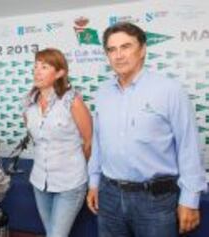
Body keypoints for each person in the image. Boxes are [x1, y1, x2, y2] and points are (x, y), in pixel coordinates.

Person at [87, 22, 208, 237]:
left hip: (155, 201)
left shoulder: (170, 90)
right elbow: (98, 142)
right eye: (112, 49)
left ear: (142, 50)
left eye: (126, 47)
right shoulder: (103, 92)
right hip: (109, 196)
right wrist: (94, 183)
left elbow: (188, 146)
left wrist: (190, 199)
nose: (118, 55)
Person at [23, 48, 92, 237]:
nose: (37, 71)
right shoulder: (29, 103)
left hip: (70, 183)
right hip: (40, 182)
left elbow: (89, 141)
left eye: (44, 67)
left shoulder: (72, 101)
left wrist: (75, 166)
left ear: (60, 72)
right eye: (35, 66)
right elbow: (36, 138)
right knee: (51, 233)